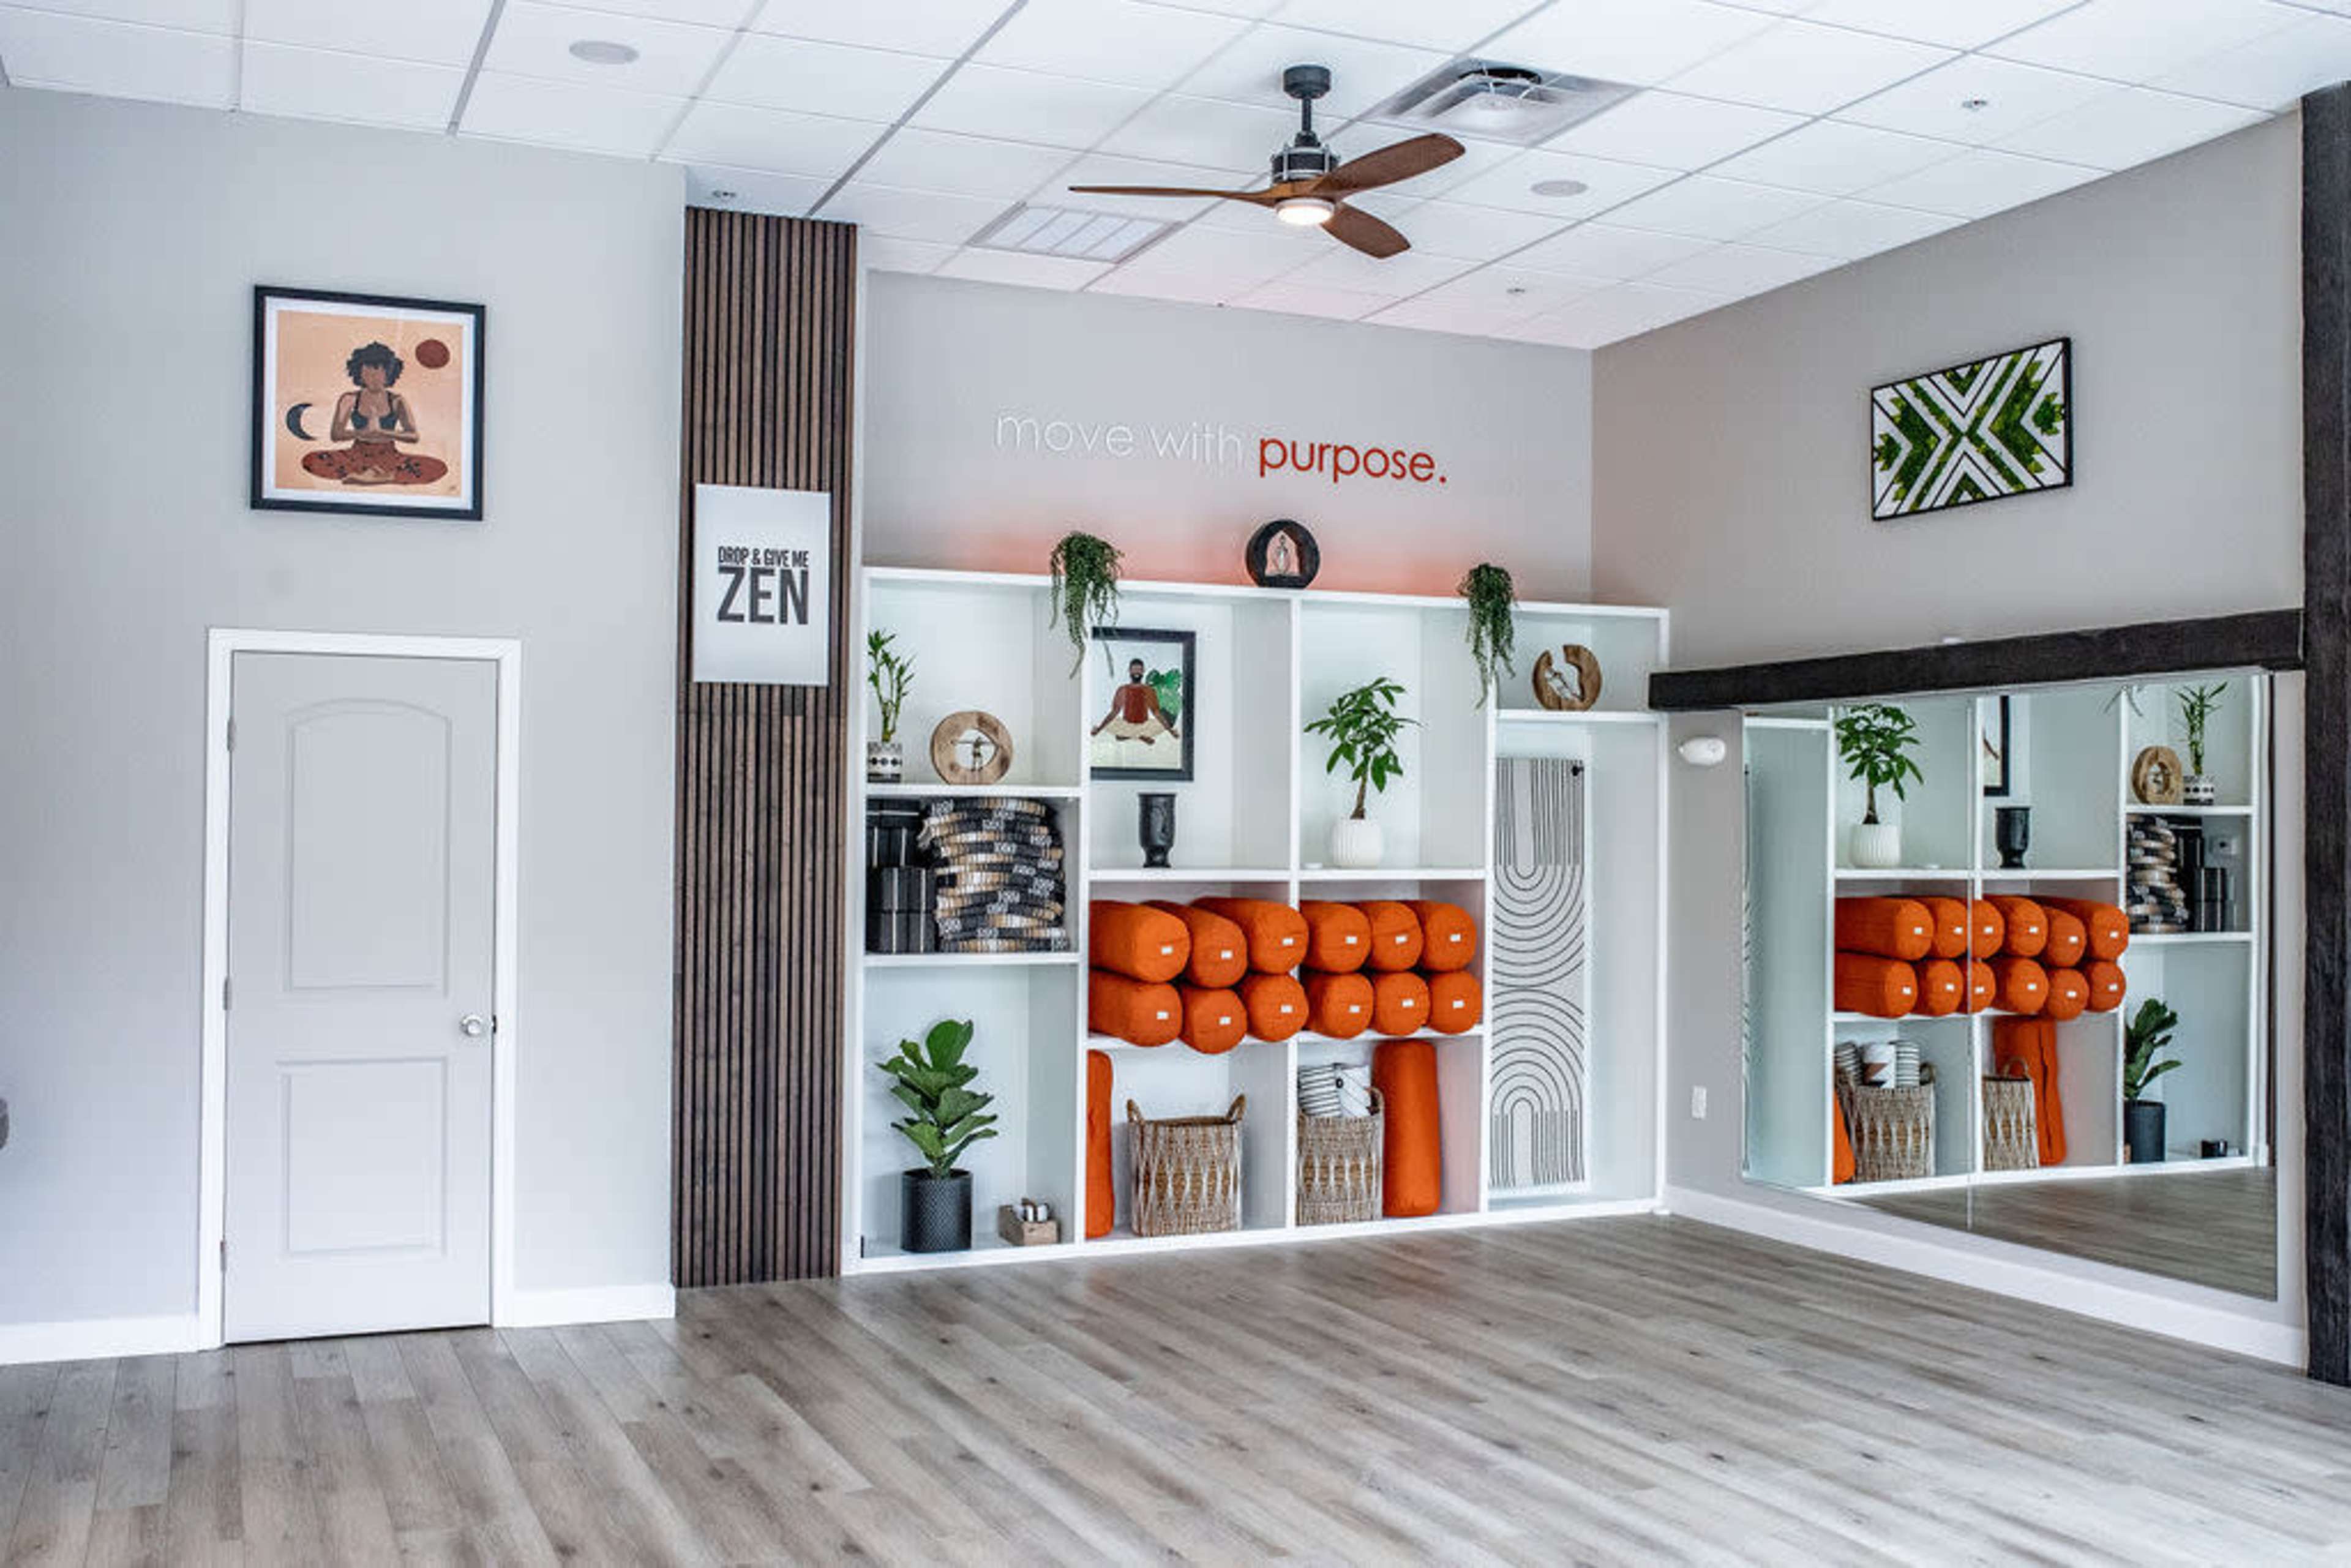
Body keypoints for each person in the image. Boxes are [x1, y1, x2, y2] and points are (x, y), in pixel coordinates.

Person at [300, 342, 449, 487]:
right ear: (359, 373)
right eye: (368, 372)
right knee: (312, 461)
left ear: (389, 374)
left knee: (436, 468)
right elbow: (336, 435)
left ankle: (380, 476)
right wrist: (363, 433)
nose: (374, 378)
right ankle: (377, 475)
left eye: (379, 372)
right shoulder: (349, 399)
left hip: (389, 457)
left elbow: (413, 436)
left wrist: (381, 433)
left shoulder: (397, 401)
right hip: (356, 456)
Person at [1093, 658, 1179, 750]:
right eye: (1134, 669)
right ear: (1129, 671)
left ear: (1143, 671)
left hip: (1144, 725)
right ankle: (1140, 737)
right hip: (1126, 725)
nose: (1137, 672)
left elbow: (1156, 712)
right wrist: (1099, 729)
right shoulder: (1123, 689)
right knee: (1112, 723)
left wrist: (1170, 731)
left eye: (1139, 670)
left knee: (1161, 725)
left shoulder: (1149, 690)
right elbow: (1115, 711)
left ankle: (1129, 736)